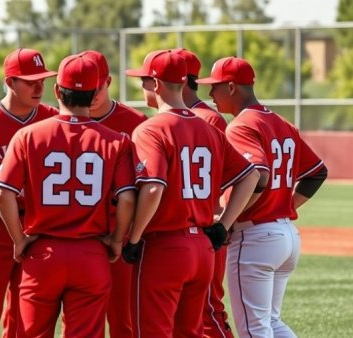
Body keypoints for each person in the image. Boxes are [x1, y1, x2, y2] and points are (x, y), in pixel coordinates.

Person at [0, 54, 137, 338]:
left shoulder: (28, 135)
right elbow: (128, 198)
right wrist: (116, 240)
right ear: (95, 92)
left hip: (42, 252)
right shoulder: (116, 140)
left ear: (57, 91)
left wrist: (19, 239)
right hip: (91, 251)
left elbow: (3, 194)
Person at [123, 50, 260, 338]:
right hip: (202, 249)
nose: (142, 86)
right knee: (191, 331)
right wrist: (222, 225)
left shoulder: (150, 129)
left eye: (145, 80)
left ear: (157, 84)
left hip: (164, 246)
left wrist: (134, 237)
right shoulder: (207, 126)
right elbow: (251, 176)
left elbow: (152, 186)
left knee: (153, 331)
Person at [197, 56, 328, 338]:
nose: (210, 94)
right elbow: (317, 173)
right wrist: (282, 206)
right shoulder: (281, 122)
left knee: (255, 330)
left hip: (256, 238)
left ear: (231, 88)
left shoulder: (242, 126)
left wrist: (226, 222)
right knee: (272, 324)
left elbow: (257, 175)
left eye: (215, 87)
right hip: (285, 235)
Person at [0, 48, 57, 338]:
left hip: (38, 229)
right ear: (10, 83)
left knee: (28, 319)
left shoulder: (53, 119)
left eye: (43, 79)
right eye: (30, 80)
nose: (39, 86)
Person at [80, 49, 147, 338]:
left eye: (98, 86)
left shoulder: (136, 122)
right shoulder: (60, 122)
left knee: (125, 320)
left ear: (108, 82)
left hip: (121, 227)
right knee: (80, 322)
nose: (92, 93)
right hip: (78, 233)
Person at [173, 47, 233, 338]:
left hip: (203, 228)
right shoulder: (199, 118)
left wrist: (224, 219)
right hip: (183, 232)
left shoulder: (209, 120)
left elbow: (237, 176)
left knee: (208, 312)